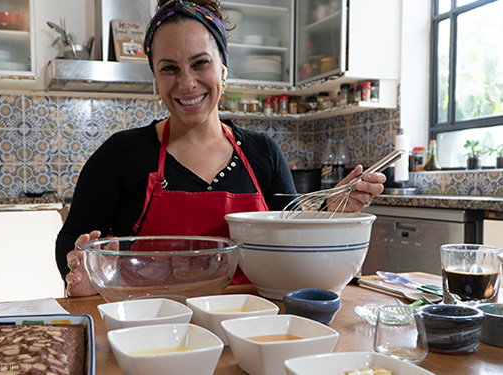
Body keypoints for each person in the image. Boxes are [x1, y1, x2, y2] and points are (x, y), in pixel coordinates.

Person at [55, 0, 386, 297]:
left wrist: (331, 212)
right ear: (155, 79)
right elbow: (70, 242)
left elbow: (292, 238)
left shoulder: (263, 153)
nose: (187, 83)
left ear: (223, 69)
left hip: (250, 327)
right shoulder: (121, 154)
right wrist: (84, 276)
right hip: (152, 331)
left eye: (200, 63)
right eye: (169, 68)